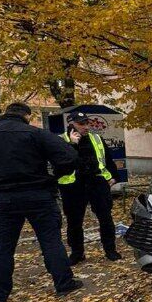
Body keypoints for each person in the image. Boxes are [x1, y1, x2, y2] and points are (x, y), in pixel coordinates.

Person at [0, 102, 83, 302]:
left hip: (1, 198)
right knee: (50, 240)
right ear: (26, 116)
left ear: (5, 114)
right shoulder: (35, 133)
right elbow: (69, 156)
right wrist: (54, 177)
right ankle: (64, 283)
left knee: (0, 246)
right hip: (38, 195)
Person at [59, 111, 121, 263]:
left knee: (105, 218)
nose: (86, 127)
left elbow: (108, 159)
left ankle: (110, 250)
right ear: (71, 124)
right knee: (74, 221)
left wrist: (114, 177)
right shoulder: (61, 140)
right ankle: (77, 253)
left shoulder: (96, 138)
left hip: (97, 182)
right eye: (81, 124)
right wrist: (73, 144)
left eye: (87, 123)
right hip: (73, 186)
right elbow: (60, 164)